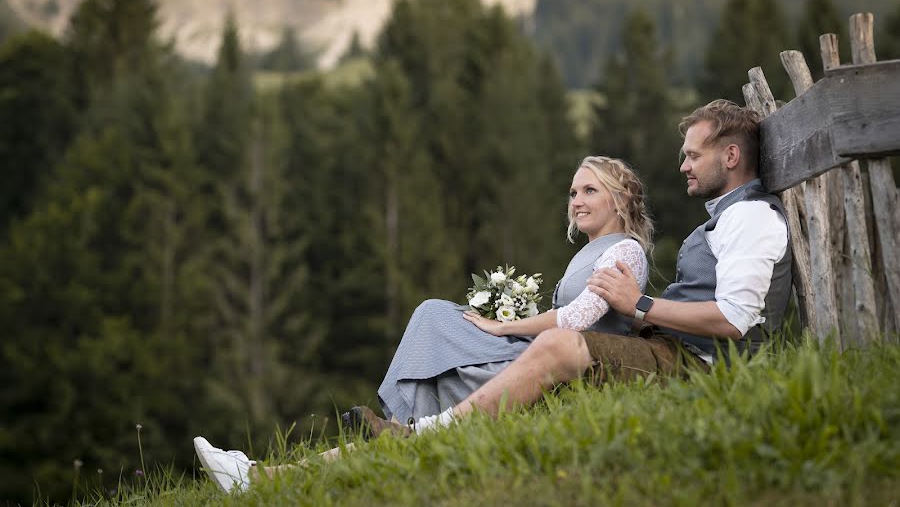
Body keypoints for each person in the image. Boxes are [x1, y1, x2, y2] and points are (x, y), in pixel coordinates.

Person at [193, 155, 655, 493]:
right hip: (543, 355)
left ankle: (265, 475)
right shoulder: (588, 253)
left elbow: (577, 320)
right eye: (573, 192)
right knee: (435, 313)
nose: (576, 200)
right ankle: (266, 473)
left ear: (621, 198)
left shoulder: (626, 250)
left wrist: (501, 328)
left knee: (437, 317)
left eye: (589, 190)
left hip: (565, 371)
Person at [346, 98, 790, 433]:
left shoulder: (750, 217)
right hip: (673, 352)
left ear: (730, 157)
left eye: (694, 155)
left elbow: (734, 318)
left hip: (701, 369)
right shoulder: (728, 219)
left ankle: (424, 433)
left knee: (560, 345)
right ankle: (408, 420)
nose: (683, 166)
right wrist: (641, 318)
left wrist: (639, 304)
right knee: (445, 319)